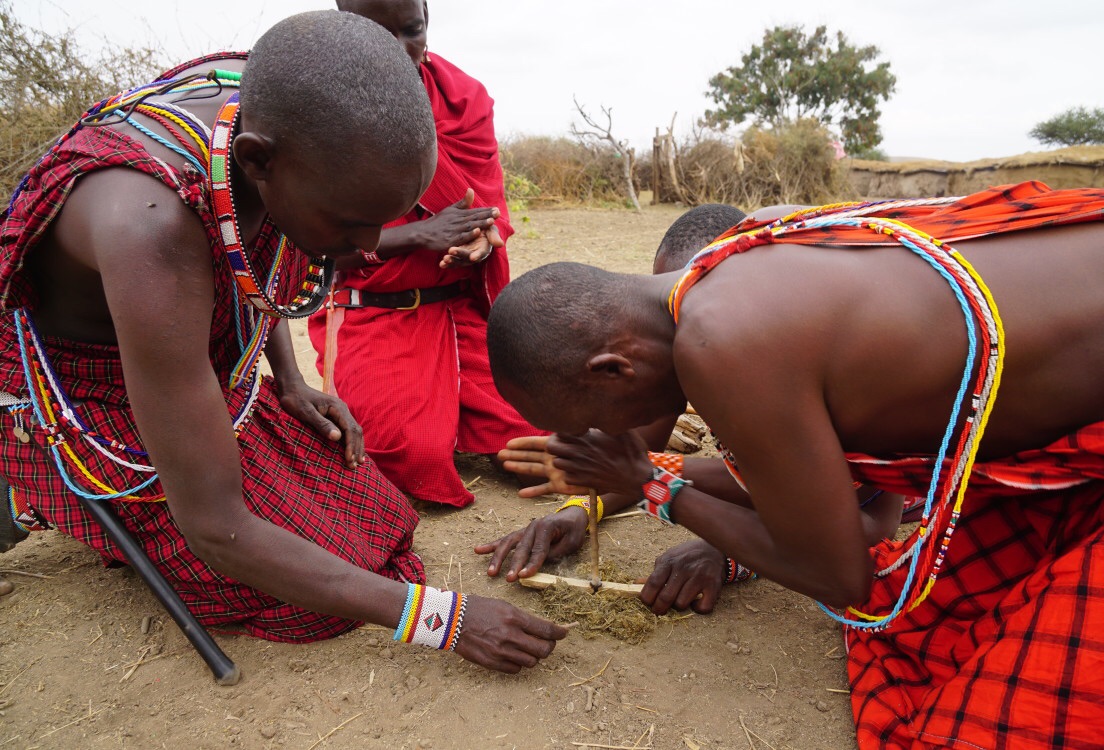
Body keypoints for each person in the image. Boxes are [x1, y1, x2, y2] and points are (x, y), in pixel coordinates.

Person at [0, 11, 565, 674]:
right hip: (91, 391)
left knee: (380, 523)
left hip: (189, 361)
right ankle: (29, 486)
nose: (367, 248)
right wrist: (442, 620)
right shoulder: (147, 225)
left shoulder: (264, 110)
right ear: (258, 161)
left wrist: (292, 383)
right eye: (351, 223)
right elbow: (214, 525)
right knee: (312, 603)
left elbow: (255, 256)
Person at [482, 182, 1104, 746]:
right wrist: (591, 501)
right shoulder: (756, 243)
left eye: (595, 417)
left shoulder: (721, 341)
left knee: (996, 714)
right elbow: (739, 469)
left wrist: (654, 488)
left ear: (613, 369)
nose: (612, 432)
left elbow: (841, 573)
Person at [483, 203, 903, 614]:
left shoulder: (765, 350)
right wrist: (581, 510)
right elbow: (638, 459)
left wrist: (724, 552)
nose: (683, 315)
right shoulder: (669, 338)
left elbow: (864, 530)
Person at [306, 0, 542, 508]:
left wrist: (483, 240)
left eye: (412, 30)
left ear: (428, 16)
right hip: (376, 312)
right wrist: (418, 235)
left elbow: (487, 208)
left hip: (461, 308)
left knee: (539, 439)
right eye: (375, 33)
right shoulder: (318, 107)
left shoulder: (462, 99)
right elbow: (314, 251)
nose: (398, 50)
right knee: (409, 456)